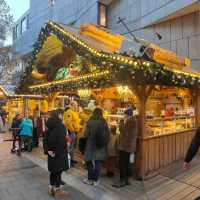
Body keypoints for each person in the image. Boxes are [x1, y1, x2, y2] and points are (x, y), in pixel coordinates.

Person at [83, 107, 109, 186]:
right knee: (98, 161)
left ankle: (90, 179)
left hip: (90, 144)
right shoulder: (104, 121)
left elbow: (85, 134)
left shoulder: (90, 121)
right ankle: (96, 180)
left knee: (89, 160)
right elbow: (107, 134)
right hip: (100, 144)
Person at [46, 110, 69, 197]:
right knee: (58, 171)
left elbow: (46, 139)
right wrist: (67, 143)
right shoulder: (61, 126)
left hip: (51, 153)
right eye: (61, 114)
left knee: (53, 171)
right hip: (59, 153)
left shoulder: (49, 125)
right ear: (59, 115)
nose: (62, 116)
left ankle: (51, 188)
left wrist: (48, 150)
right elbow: (61, 141)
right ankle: (57, 190)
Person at [113, 106, 138, 188]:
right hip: (129, 146)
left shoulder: (130, 121)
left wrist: (121, 122)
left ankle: (122, 180)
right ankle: (127, 179)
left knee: (122, 163)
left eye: (125, 114)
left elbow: (122, 130)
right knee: (127, 163)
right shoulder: (133, 121)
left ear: (127, 115)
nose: (124, 115)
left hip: (125, 146)